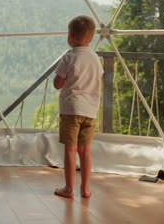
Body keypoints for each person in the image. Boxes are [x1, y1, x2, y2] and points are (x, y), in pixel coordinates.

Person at [53, 15, 103, 199]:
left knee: (70, 149)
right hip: (90, 111)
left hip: (71, 110)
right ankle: (85, 188)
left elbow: (58, 84)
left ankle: (68, 189)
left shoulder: (69, 57)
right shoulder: (96, 58)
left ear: (71, 37)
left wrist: (60, 79)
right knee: (85, 150)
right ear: (91, 38)